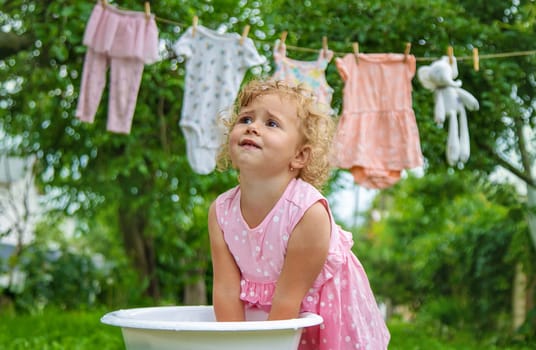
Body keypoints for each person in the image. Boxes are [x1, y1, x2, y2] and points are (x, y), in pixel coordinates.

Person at [208, 79, 390, 349]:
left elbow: (287, 300)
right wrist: (236, 345)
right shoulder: (221, 212)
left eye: (271, 123)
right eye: (246, 119)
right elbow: (225, 291)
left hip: (322, 312)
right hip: (277, 316)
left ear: (299, 156)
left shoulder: (307, 212)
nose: (253, 127)